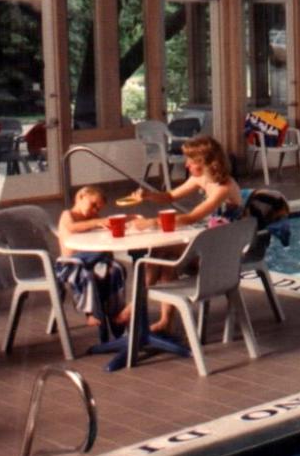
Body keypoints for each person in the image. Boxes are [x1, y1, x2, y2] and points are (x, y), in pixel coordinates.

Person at [131, 135, 244, 332]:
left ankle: (136, 305)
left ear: (205, 162)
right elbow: (170, 196)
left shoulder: (224, 187)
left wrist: (152, 223)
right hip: (214, 244)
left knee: (161, 251)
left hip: (224, 253)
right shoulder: (200, 178)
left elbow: (192, 217)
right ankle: (164, 320)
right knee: (164, 256)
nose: (186, 165)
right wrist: (148, 195)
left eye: (191, 161)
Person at [56, 185, 128, 329]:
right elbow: (72, 227)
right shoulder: (68, 215)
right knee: (87, 275)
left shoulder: (93, 217)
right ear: (80, 197)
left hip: (94, 260)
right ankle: (91, 313)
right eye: (93, 205)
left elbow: (103, 230)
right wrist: (97, 222)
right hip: (72, 263)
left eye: (98, 209)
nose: (95, 210)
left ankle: (115, 310)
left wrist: (109, 226)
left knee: (116, 269)